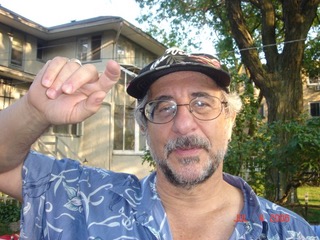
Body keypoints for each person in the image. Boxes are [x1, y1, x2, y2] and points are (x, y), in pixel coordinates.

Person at [0, 47, 318, 240]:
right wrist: (33, 111)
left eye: (202, 103)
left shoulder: (287, 231)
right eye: (163, 107)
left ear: (230, 121)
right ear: (145, 130)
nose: (182, 124)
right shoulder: (82, 201)